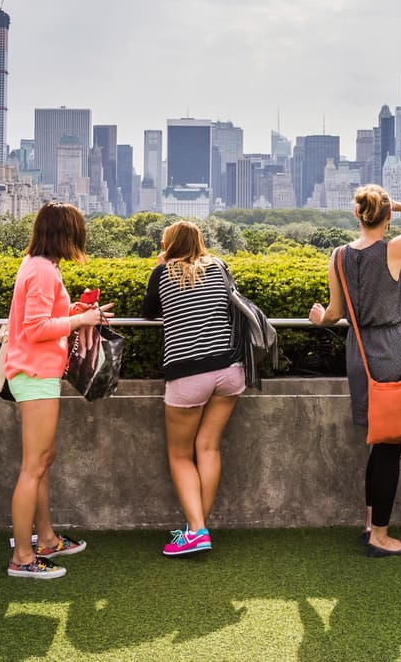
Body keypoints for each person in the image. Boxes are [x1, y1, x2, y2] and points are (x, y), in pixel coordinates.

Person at [309, 186, 401, 557]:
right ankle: (380, 537)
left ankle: (371, 523)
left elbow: (334, 314)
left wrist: (318, 317)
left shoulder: (338, 257)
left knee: (378, 441)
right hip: (390, 351)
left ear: (358, 216)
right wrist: (400, 205)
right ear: (386, 216)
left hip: (359, 353)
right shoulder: (392, 249)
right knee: (389, 447)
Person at [4, 202, 114, 578]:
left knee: (43, 460)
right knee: (34, 466)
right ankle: (23, 556)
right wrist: (82, 318)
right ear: (65, 235)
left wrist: (80, 311)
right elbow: (35, 328)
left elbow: (42, 319)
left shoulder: (40, 266)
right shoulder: (41, 270)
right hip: (35, 374)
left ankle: (46, 539)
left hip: (38, 373)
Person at [142, 221, 247, 556]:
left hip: (187, 375)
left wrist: (159, 268)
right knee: (209, 448)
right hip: (229, 370)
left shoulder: (164, 273)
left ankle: (197, 530)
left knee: (180, 454)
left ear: (169, 245)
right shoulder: (219, 266)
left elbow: (149, 313)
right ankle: (195, 528)